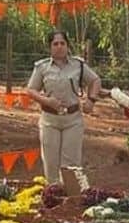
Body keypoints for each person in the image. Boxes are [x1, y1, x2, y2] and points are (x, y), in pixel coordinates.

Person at [27, 31, 101, 182]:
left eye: (62, 43)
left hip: (73, 120)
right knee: (51, 163)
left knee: (71, 165)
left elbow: (95, 80)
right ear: (50, 47)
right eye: (55, 44)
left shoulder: (78, 65)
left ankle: (72, 199)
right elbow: (30, 90)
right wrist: (46, 101)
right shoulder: (42, 67)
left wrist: (91, 100)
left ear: (67, 46)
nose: (59, 47)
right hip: (49, 121)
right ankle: (53, 199)